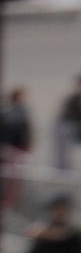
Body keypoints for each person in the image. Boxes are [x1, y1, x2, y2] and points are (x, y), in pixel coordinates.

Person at [0, 88, 31, 216]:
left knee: (14, 181)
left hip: (17, 149)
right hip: (9, 150)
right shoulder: (8, 113)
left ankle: (9, 206)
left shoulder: (21, 112)